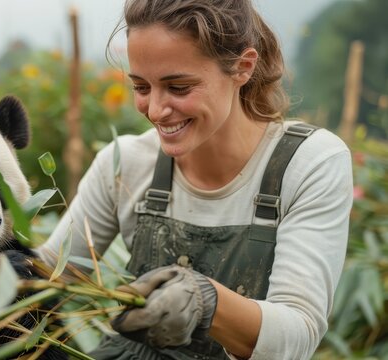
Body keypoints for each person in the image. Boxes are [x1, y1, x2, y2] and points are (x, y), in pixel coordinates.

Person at [36, 0, 353, 359]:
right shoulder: (125, 163)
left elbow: (298, 335)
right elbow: (46, 280)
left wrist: (206, 301)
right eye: (141, 87)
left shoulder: (307, 164)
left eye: (179, 87)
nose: (155, 110)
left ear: (243, 67)